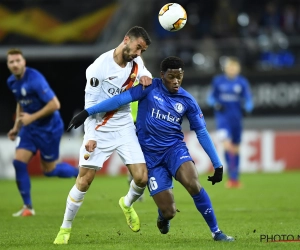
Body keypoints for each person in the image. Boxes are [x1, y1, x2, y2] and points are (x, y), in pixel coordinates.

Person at [68, 56, 234, 242]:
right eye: (171, 76)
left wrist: (218, 165)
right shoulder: (149, 88)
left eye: (179, 76)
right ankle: (163, 217)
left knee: (193, 183)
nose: (176, 81)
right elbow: (119, 100)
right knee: (169, 211)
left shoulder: (187, 100)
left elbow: (202, 133)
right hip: (150, 158)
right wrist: (87, 112)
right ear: (162, 75)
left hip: (174, 150)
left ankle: (216, 232)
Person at [53, 26, 153, 244]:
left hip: (124, 125)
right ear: (126, 39)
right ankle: (65, 227)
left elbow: (144, 71)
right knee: (85, 180)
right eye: (138, 48)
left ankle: (126, 203)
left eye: (142, 51)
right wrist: (89, 136)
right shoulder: (99, 67)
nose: (139, 54)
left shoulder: (136, 62)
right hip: (99, 128)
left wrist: (146, 76)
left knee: (142, 178)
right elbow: (89, 105)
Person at [6, 48, 79, 217]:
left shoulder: (35, 80)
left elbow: (55, 104)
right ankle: (28, 207)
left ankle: (78, 173)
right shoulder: (12, 82)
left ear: (24, 62)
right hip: (30, 129)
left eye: (18, 61)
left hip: (49, 129)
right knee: (18, 162)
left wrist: (32, 117)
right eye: (11, 62)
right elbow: (21, 103)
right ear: (8, 64)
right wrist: (16, 127)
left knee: (49, 171)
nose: (15, 64)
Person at [207, 57, 253, 188]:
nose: (232, 70)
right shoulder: (218, 81)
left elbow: (249, 99)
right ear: (225, 69)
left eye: (234, 67)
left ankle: (235, 178)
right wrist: (216, 104)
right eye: (230, 67)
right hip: (223, 119)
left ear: (238, 69)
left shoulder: (242, 82)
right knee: (227, 146)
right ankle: (231, 177)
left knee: (236, 148)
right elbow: (210, 98)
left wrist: (247, 108)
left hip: (236, 119)